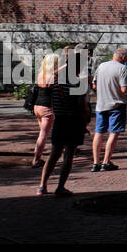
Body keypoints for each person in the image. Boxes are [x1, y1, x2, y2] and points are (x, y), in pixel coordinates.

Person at [38, 49, 89, 196]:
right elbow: (81, 105)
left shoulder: (56, 82)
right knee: (68, 155)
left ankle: (42, 186)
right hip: (73, 121)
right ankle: (60, 187)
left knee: (54, 154)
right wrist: (84, 121)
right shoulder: (77, 83)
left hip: (59, 120)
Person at [91, 46, 127, 172]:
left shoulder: (101, 66)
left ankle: (95, 162)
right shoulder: (122, 68)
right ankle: (106, 162)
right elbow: (124, 89)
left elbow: (94, 86)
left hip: (101, 104)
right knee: (113, 133)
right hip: (116, 105)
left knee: (99, 132)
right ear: (123, 57)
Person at [30, 53, 60, 168]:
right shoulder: (53, 77)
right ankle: (36, 159)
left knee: (42, 133)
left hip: (37, 106)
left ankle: (38, 157)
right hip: (47, 107)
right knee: (43, 135)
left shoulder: (41, 74)